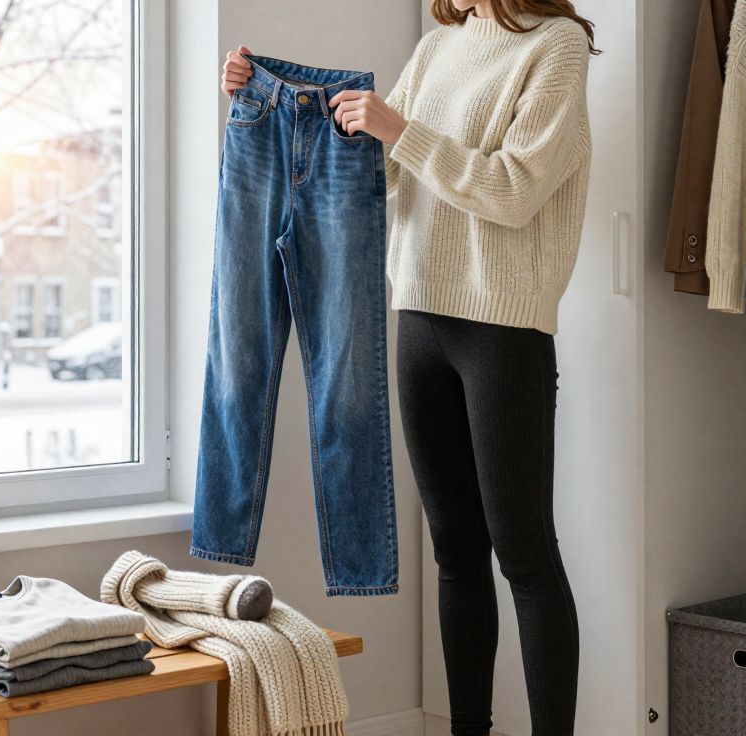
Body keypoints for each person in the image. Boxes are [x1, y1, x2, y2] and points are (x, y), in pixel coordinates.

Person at [221, 1, 595, 732]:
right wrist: (259, 104)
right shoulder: (437, 48)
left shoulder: (557, 48)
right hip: (420, 314)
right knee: (455, 549)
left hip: (505, 324)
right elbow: (385, 180)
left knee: (524, 552)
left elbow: (514, 191)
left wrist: (397, 128)